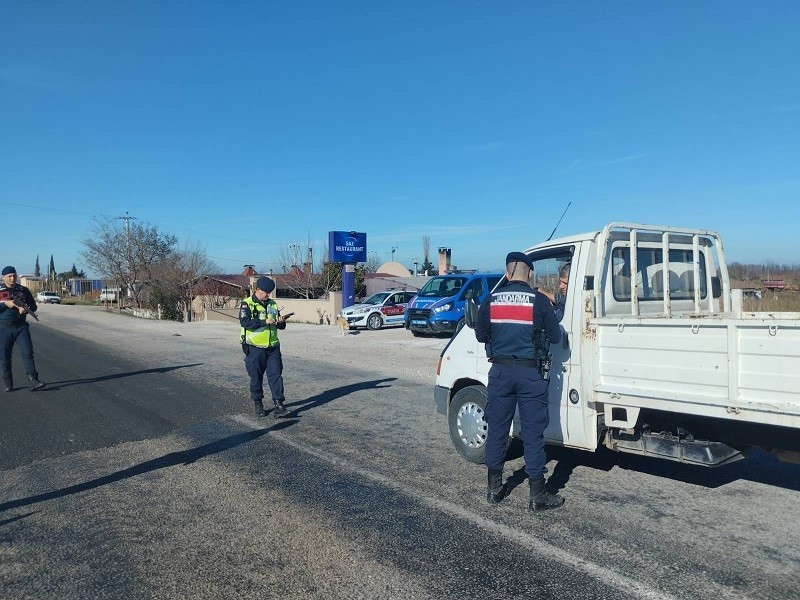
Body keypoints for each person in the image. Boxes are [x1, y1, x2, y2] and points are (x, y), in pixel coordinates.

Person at [475, 252, 564, 511]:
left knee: (498, 430)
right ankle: (537, 496)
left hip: (500, 373)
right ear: (530, 274)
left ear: (507, 272)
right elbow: (556, 337)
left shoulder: (490, 300)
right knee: (533, 434)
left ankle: (494, 490)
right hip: (530, 374)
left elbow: (481, 336)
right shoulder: (538, 301)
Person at [239, 276, 289, 418]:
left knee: (276, 375)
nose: (268, 295)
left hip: (273, 347)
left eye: (269, 292)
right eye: (266, 292)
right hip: (254, 347)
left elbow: (281, 326)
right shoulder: (246, 304)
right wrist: (265, 321)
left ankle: (279, 404)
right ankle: (258, 402)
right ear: (258, 289)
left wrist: (280, 321)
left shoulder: (272, 304)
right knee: (256, 377)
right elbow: (245, 323)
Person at [0, 266, 45, 392]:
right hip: (4, 327)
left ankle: (34, 380)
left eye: (14, 275)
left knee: (28, 353)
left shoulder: (23, 290)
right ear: (4, 277)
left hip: (21, 327)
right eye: (9, 276)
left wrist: (25, 309)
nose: (12, 278)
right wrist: (5, 304)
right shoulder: (0, 290)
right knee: (4, 356)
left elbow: (33, 306)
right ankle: (8, 383)